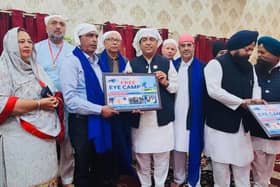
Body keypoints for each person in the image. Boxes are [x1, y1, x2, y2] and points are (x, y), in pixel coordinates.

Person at [0, 27, 63, 186]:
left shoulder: (37, 68)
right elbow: (3, 104)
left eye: (29, 41)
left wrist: (54, 101)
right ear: (11, 45)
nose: (27, 45)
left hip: (45, 136)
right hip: (19, 139)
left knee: (46, 177)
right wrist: (39, 104)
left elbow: (51, 92)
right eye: (21, 42)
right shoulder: (4, 69)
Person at [204, 30, 265, 187]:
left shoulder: (250, 67)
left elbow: (256, 86)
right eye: (247, 49)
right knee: (221, 168)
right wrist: (241, 102)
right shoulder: (216, 64)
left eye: (252, 49)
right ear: (236, 47)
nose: (250, 53)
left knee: (243, 166)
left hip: (243, 126)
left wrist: (256, 100)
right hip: (220, 126)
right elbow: (214, 91)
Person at [60, 23, 119, 187]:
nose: (94, 40)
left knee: (101, 164)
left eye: (95, 36)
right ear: (78, 39)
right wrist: (100, 110)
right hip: (82, 123)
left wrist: (124, 102)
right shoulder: (71, 62)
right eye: (89, 36)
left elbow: (106, 91)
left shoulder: (98, 62)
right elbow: (71, 100)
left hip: (101, 120)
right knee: (83, 166)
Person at [124, 28, 178, 187]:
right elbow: (125, 91)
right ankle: (145, 184)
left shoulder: (167, 63)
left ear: (157, 43)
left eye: (151, 39)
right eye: (144, 40)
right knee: (142, 157)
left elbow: (175, 88)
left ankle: (160, 183)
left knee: (162, 156)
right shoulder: (131, 64)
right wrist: (130, 105)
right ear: (139, 44)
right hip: (140, 120)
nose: (148, 42)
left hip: (162, 119)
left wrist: (165, 82)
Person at [35, 14, 75, 187]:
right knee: (46, 142)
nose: (58, 27)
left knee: (68, 144)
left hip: (68, 102)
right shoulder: (36, 48)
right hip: (43, 103)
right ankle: (48, 178)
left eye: (62, 24)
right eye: (54, 23)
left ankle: (67, 179)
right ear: (46, 27)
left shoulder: (73, 50)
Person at [98, 30, 135, 183]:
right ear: (104, 43)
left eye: (117, 40)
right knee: (105, 144)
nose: (114, 42)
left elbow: (132, 85)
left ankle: (122, 175)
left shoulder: (126, 61)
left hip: (122, 112)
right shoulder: (96, 60)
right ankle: (106, 176)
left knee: (121, 142)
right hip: (103, 109)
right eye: (110, 39)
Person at [171, 34, 205, 187]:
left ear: (194, 47)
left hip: (196, 114)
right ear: (179, 48)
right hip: (176, 113)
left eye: (188, 45)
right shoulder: (172, 65)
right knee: (178, 146)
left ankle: (194, 181)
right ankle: (179, 178)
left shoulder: (203, 67)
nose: (186, 48)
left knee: (194, 147)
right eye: (183, 45)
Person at [249, 36, 280, 187]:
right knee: (257, 158)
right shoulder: (254, 70)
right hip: (255, 124)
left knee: (270, 157)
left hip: (275, 126)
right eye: (258, 52)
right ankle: (260, 183)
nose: (260, 56)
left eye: (263, 53)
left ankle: (264, 182)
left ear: (276, 55)